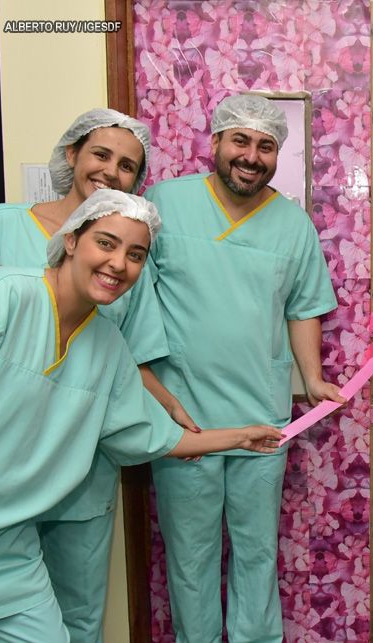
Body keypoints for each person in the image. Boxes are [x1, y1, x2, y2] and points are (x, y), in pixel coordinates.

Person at [0, 189, 281, 643]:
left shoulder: (108, 346)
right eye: (106, 243)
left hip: (8, 559)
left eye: (136, 254)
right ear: (72, 240)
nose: (119, 264)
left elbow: (148, 436)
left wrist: (238, 438)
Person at [0, 108, 195, 643]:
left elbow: (126, 357)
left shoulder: (129, 255)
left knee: (71, 618)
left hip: (73, 459)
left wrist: (176, 416)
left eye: (128, 166)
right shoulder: (3, 231)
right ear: (71, 155)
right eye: (101, 155)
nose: (112, 171)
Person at [143, 93, 341, 642]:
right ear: (216, 143)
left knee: (257, 554)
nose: (251, 156)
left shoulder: (292, 224)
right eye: (241, 141)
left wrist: (314, 376)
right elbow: (128, 297)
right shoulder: (163, 204)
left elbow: (302, 308)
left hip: (262, 414)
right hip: (185, 417)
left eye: (266, 145)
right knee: (191, 558)